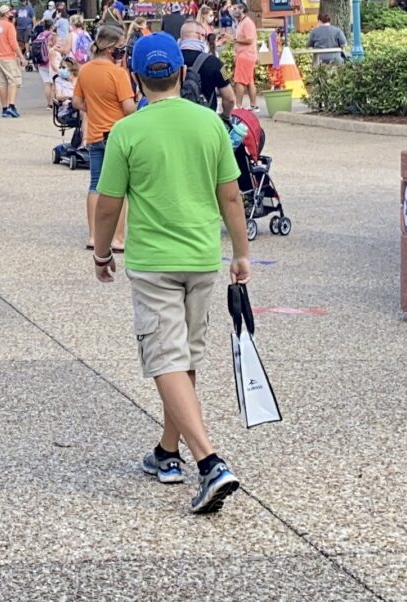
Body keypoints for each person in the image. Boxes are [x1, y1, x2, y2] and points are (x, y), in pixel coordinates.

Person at [91, 32, 251, 515]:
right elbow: (231, 197)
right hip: (202, 256)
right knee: (183, 358)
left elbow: (108, 204)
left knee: (164, 358)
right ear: (182, 74)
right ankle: (167, 450)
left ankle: (209, 462)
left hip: (154, 260)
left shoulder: (127, 132)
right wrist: (240, 253)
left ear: (137, 79)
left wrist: (102, 254)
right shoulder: (210, 125)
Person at [76, 23, 138, 252]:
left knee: (95, 184)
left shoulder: (85, 70)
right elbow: (129, 107)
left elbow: (76, 102)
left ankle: (93, 236)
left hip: (94, 133)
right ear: (111, 47)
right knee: (119, 188)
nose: (123, 51)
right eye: (121, 46)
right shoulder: (118, 73)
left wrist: (93, 109)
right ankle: (117, 238)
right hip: (117, 133)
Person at [177, 16, 233, 114]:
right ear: (200, 37)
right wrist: (226, 117)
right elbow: (229, 98)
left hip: (176, 119)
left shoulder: (170, 61)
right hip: (206, 120)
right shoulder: (215, 62)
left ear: (181, 37)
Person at [0, 4, 25, 118]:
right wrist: (21, 57)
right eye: (10, 12)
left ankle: (4, 108)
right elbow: (14, 44)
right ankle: (11, 106)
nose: (12, 13)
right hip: (8, 57)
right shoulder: (9, 26)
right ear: (6, 14)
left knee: (2, 83)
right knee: (14, 81)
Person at [231, 3, 260, 109]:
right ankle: (253, 105)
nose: (233, 11)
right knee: (249, 81)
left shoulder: (247, 23)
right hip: (245, 55)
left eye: (236, 8)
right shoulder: (241, 23)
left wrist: (234, 39)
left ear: (242, 9)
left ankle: (238, 105)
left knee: (239, 81)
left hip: (246, 55)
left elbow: (249, 39)